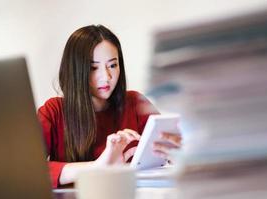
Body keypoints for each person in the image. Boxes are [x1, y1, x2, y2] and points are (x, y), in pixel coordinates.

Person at [37, 24, 182, 188]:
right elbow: (26, 170)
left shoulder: (135, 103)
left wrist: (178, 154)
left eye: (112, 65)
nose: (106, 77)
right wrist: (97, 167)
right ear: (76, 70)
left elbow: (171, 151)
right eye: (93, 68)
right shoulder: (53, 112)